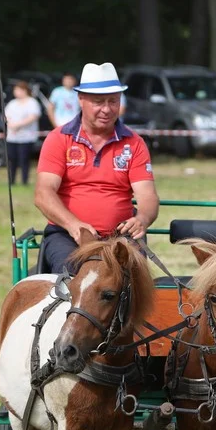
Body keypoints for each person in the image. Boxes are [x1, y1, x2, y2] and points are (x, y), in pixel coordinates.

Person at [35, 62, 160, 273]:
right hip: (66, 235)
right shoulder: (59, 139)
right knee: (75, 277)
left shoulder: (134, 142)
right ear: (81, 99)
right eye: (98, 101)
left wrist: (142, 219)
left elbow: (148, 197)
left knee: (131, 281)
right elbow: (43, 194)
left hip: (121, 236)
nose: (107, 109)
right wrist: (74, 225)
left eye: (113, 101)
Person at [4, 81, 42, 186]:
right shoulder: (12, 103)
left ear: (24, 90)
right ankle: (12, 180)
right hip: (12, 137)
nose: (16, 92)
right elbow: (5, 116)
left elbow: (33, 116)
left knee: (24, 159)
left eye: (18, 90)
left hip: (27, 137)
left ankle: (24, 180)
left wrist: (19, 124)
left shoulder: (32, 102)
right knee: (12, 159)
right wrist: (10, 123)